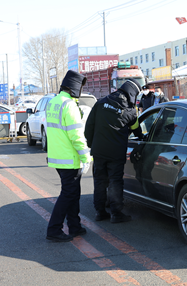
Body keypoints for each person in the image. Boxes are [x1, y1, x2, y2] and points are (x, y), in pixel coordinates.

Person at [85, 78, 144, 223]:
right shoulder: (130, 111)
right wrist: (141, 137)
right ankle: (116, 214)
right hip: (116, 154)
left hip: (98, 152)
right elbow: (137, 130)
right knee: (115, 182)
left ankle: (100, 212)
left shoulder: (100, 103)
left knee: (99, 181)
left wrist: (92, 144)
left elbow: (88, 128)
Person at [46, 70, 92, 242]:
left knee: (73, 193)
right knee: (68, 194)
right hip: (70, 159)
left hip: (58, 158)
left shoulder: (53, 102)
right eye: (80, 87)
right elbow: (76, 136)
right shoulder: (69, 105)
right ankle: (54, 229)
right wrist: (86, 157)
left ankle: (75, 226)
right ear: (74, 88)